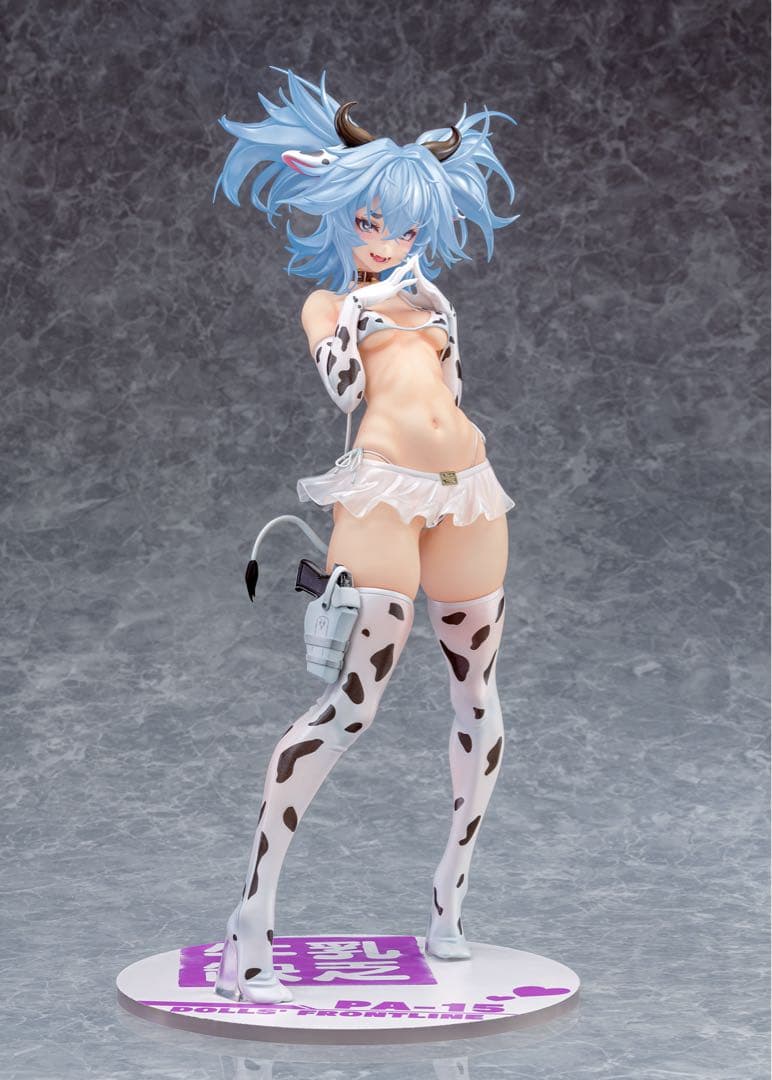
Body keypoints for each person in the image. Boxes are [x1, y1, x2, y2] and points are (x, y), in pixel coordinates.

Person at [212, 69, 519, 1003]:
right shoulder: (328, 305)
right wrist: (364, 308)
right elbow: (346, 387)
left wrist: (419, 309)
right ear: (343, 218)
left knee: (480, 699)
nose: (389, 240)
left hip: (467, 493)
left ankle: (450, 900)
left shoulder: (436, 305)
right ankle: (251, 917)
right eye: (372, 221)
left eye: (406, 228)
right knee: (349, 708)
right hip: (380, 496)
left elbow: (451, 393)